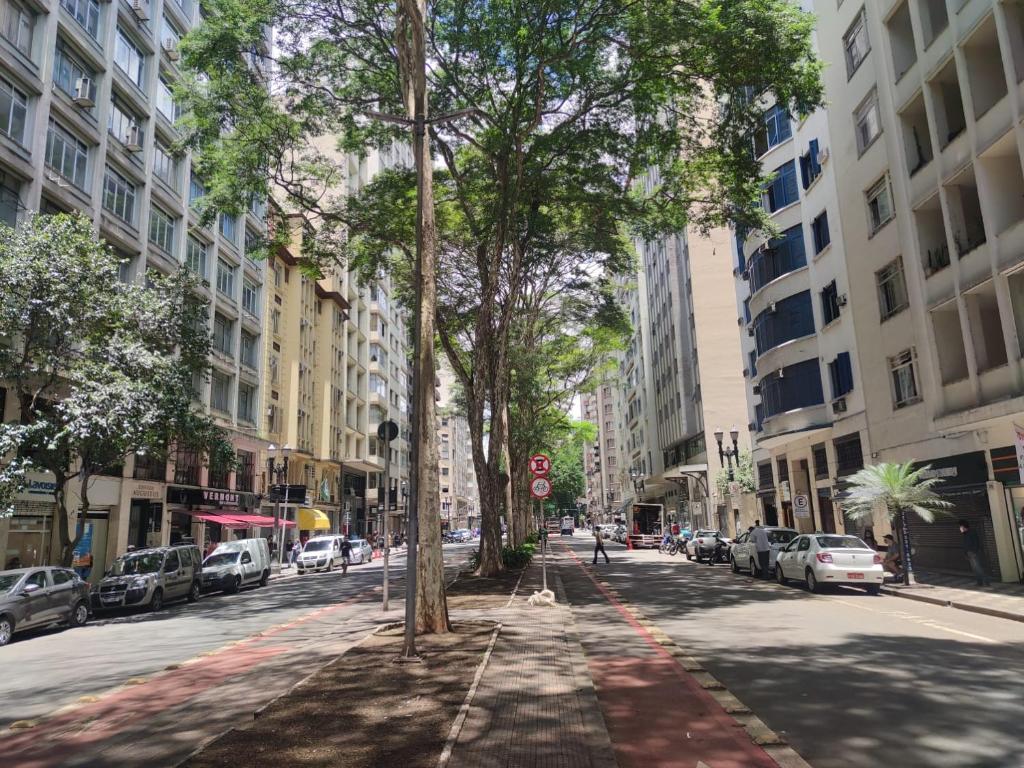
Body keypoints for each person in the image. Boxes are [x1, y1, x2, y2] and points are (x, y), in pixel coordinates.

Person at [959, 520, 991, 586]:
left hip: (973, 553)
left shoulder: (972, 532)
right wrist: (966, 553)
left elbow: (976, 542)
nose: (960, 528)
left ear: (964, 526)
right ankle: (979, 582)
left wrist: (974, 551)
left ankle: (986, 581)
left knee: (978, 568)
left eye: (961, 526)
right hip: (969, 553)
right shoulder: (965, 534)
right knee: (974, 569)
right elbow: (966, 544)